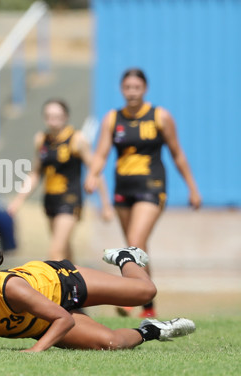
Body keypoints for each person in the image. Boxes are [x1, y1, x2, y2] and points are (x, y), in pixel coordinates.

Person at [0, 241, 195, 352]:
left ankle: (124, 257)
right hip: (45, 323)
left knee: (145, 291)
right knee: (111, 343)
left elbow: (64, 317)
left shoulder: (11, 289)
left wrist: (36, 352)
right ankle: (152, 330)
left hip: (60, 285)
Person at [84, 68, 201, 318]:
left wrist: (192, 188)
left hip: (152, 188)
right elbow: (102, 153)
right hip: (123, 190)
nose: (132, 92)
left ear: (144, 89)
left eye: (136, 87)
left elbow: (177, 153)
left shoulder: (160, 116)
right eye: (127, 87)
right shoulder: (113, 119)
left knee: (135, 243)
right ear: (121, 89)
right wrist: (93, 175)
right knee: (138, 248)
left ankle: (129, 296)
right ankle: (148, 306)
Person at [8, 99, 113, 261]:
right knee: (64, 250)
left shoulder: (76, 139)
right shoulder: (41, 139)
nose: (53, 120)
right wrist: (17, 201)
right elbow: (35, 173)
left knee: (55, 252)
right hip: (50, 199)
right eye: (49, 116)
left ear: (66, 117)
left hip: (70, 199)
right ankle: (76, 284)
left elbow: (96, 170)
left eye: (57, 116)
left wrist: (105, 205)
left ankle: (56, 285)